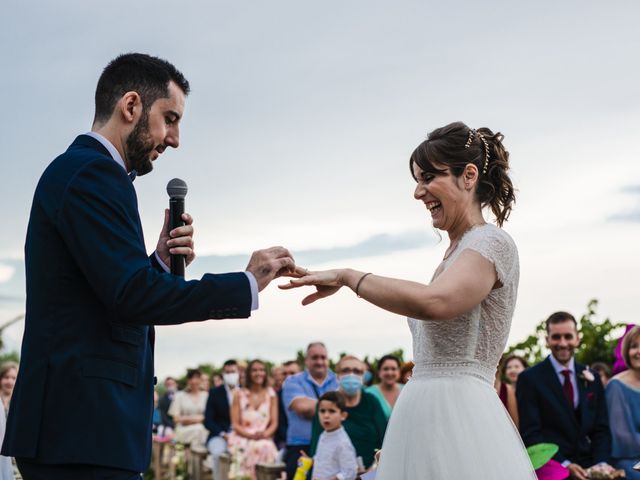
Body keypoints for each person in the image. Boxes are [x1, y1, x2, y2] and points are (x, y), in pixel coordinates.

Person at [2, 52, 296, 479]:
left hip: (84, 431)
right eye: (170, 118)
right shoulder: (92, 174)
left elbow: (110, 289)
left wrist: (158, 261)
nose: (174, 138)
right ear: (131, 106)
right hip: (81, 429)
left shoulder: (89, 173)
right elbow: (131, 297)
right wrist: (246, 282)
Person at [282, 122, 536, 478]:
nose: (419, 192)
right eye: (417, 180)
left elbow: (435, 302)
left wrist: (348, 277)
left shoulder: (491, 243)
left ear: (469, 176)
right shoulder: (455, 254)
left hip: (462, 418)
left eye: (430, 177)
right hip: (423, 415)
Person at [517, 311, 612, 479]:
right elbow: (531, 433)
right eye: (556, 337)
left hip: (590, 463)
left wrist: (601, 463)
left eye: (568, 336)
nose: (562, 343)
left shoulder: (592, 377)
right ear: (547, 340)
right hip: (552, 465)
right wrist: (565, 465)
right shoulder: (529, 379)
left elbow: (601, 428)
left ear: (577, 338)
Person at [310, 355, 387, 470]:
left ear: (363, 376)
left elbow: (386, 439)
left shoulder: (371, 401)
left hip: (370, 472)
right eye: (346, 370)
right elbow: (317, 445)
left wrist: (373, 468)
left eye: (357, 371)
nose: (351, 374)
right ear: (337, 376)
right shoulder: (326, 403)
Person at [281, 343, 338, 479]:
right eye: (315, 357)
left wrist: (314, 404)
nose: (319, 361)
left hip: (333, 445)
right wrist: (336, 405)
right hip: (301, 446)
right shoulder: (293, 381)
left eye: (323, 357)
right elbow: (303, 408)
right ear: (306, 360)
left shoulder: (338, 380)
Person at [226, 359, 278, 479]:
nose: (258, 373)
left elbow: (274, 422)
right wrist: (250, 436)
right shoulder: (238, 394)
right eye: (254, 370)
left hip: (263, 436)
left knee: (266, 447)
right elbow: (235, 424)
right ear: (248, 373)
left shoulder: (271, 394)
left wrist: (265, 434)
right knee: (255, 447)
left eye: (261, 370)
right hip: (242, 436)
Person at [606, 325, 640, 479]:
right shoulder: (616, 386)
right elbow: (622, 438)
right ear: (627, 351)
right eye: (634, 346)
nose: (638, 351)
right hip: (630, 462)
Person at [204, 359, 240, 480]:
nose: (230, 375)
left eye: (233, 371)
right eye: (227, 372)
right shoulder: (214, 393)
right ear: (223, 374)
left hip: (241, 435)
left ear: (238, 372)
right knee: (218, 454)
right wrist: (223, 434)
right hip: (219, 435)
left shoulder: (244, 391)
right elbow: (208, 420)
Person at [311, 391, 358, 480]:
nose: (326, 415)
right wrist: (311, 461)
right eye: (322, 411)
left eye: (331, 411)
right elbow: (325, 459)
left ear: (343, 415)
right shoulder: (323, 435)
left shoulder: (342, 442)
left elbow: (350, 471)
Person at [168, 369, 209, 445]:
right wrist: (197, 419)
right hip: (183, 430)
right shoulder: (179, 396)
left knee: (201, 431)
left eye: (196, 378)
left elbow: (209, 417)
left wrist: (185, 419)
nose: (194, 381)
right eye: (191, 378)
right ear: (188, 381)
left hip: (203, 429)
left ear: (200, 380)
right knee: (199, 430)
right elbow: (176, 418)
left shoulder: (206, 396)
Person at [274, 360, 301, 449]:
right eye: (285, 374)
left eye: (292, 373)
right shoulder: (276, 396)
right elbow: (279, 422)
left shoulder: (308, 393)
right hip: (286, 441)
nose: (288, 377)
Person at [365, 355, 402, 419]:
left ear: (399, 371)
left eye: (393, 369)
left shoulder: (407, 390)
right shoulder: (368, 393)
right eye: (385, 369)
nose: (390, 373)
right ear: (379, 372)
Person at [495, 356, 519, 428]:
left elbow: (515, 425)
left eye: (516, 366)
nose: (512, 370)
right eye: (509, 367)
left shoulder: (508, 390)